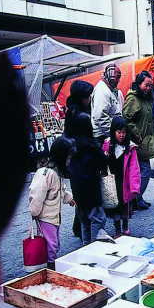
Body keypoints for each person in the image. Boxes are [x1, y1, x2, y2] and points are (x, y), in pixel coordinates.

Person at [29, 137, 76, 267]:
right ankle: (51, 266)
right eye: (68, 158)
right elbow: (37, 194)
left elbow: (60, 191)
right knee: (52, 244)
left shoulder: (56, 173)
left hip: (54, 217)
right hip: (46, 217)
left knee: (54, 243)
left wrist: (69, 198)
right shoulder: (46, 174)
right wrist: (34, 211)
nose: (69, 161)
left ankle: (51, 264)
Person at [68, 113, 113, 244]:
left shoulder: (72, 144)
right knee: (98, 219)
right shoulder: (91, 145)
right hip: (91, 189)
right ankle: (94, 245)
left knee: (84, 220)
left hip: (77, 189)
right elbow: (102, 161)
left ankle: (86, 246)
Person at [63, 80, 94, 238]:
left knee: (80, 196)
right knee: (84, 198)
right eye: (88, 96)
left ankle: (78, 228)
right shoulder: (81, 116)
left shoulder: (71, 111)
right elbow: (87, 141)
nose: (89, 99)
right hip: (82, 161)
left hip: (75, 161)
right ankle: (84, 234)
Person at [122, 71, 154, 211]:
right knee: (144, 170)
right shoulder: (133, 98)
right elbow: (126, 119)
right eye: (146, 85)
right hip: (137, 142)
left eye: (150, 85)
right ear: (139, 83)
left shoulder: (146, 98)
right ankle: (135, 198)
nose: (148, 88)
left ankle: (137, 198)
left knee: (141, 171)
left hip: (145, 141)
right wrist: (137, 135)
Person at [104, 117, 141, 237]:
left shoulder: (130, 148)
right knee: (114, 205)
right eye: (119, 132)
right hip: (112, 181)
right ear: (113, 132)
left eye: (124, 132)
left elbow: (134, 168)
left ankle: (125, 225)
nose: (121, 135)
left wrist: (135, 186)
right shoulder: (108, 145)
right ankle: (117, 229)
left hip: (124, 182)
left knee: (125, 205)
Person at [91, 63, 123, 144]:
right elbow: (100, 117)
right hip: (102, 136)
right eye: (116, 77)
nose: (118, 80)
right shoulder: (102, 90)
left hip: (108, 134)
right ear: (108, 76)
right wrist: (112, 134)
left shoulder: (110, 89)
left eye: (119, 77)